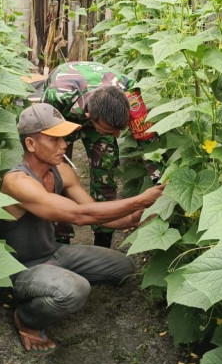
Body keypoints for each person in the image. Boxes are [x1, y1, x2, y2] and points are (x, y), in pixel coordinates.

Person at [0, 103, 166, 355]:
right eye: (54, 139)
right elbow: (78, 216)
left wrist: (134, 217)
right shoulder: (17, 182)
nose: (64, 145)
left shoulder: (61, 171)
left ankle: (56, 281)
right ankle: (27, 318)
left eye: (64, 138)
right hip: (21, 268)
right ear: (31, 145)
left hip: (53, 253)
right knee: (75, 290)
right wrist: (141, 199)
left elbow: (97, 215)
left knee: (125, 268)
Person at [41, 61, 160, 248]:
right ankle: (60, 239)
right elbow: (44, 139)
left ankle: (102, 245)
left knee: (105, 175)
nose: (117, 136)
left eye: (119, 130)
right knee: (56, 172)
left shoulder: (131, 95)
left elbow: (150, 144)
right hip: (65, 113)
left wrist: (160, 183)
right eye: (111, 131)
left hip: (100, 112)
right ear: (89, 118)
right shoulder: (57, 96)